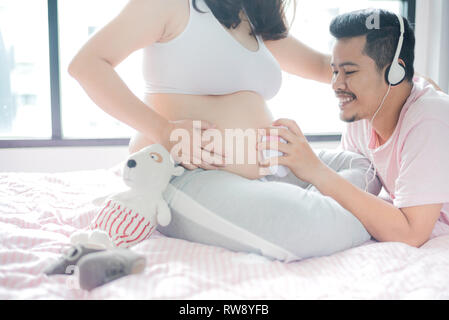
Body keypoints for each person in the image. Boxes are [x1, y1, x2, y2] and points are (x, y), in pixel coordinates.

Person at [67, 0, 382, 265]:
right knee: (302, 226)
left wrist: (405, 80)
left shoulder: (252, 16)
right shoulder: (170, 5)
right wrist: (163, 130)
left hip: (271, 163)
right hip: (187, 172)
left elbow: (323, 64)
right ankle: (359, 218)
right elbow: (87, 64)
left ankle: (328, 211)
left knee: (364, 169)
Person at [260, 9, 449, 248]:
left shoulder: (429, 119)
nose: (336, 84)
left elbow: (411, 233)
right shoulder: (363, 117)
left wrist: (316, 170)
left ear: (395, 72)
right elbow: (348, 187)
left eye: (349, 72)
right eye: (335, 71)